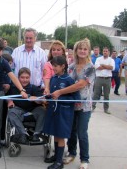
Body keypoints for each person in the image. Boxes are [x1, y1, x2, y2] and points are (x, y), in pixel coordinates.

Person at [51, 38, 95, 169]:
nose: (82, 51)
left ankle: (84, 159)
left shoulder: (90, 68)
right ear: (76, 50)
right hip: (70, 106)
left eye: (85, 49)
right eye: (80, 48)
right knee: (71, 132)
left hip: (84, 107)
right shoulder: (70, 66)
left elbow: (80, 85)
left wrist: (59, 92)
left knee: (82, 133)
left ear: (88, 51)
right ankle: (71, 153)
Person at [43, 56, 80, 169]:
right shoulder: (54, 78)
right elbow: (53, 94)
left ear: (63, 66)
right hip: (53, 111)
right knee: (55, 133)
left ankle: (59, 162)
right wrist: (47, 96)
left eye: (55, 66)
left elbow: (76, 98)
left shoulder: (68, 80)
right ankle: (56, 156)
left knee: (60, 136)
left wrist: (60, 99)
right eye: (52, 65)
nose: (53, 68)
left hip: (63, 113)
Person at [7, 67, 46, 144]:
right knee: (11, 112)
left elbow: (43, 100)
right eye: (22, 77)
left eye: (27, 78)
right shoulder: (14, 88)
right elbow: (8, 97)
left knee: (43, 111)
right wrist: (10, 101)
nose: (25, 80)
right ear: (18, 77)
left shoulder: (33, 88)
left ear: (30, 78)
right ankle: (23, 134)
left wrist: (36, 99)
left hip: (32, 111)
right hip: (19, 110)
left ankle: (36, 134)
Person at [92, 47, 115, 114]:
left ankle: (106, 109)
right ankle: (92, 107)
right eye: (104, 51)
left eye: (106, 51)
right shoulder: (98, 59)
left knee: (106, 95)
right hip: (99, 78)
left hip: (107, 79)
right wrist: (107, 66)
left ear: (109, 52)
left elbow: (112, 68)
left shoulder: (111, 60)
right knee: (96, 94)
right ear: (102, 52)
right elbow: (97, 67)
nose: (105, 52)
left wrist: (103, 65)